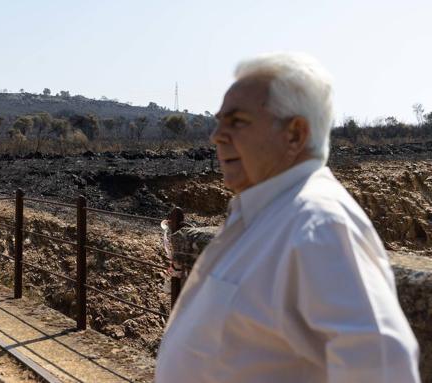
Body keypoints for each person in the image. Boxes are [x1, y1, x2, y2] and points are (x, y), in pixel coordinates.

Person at [155, 52, 420, 383]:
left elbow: (382, 369)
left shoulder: (318, 226)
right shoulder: (268, 216)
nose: (217, 135)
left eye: (237, 121)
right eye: (219, 121)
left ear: (295, 134)